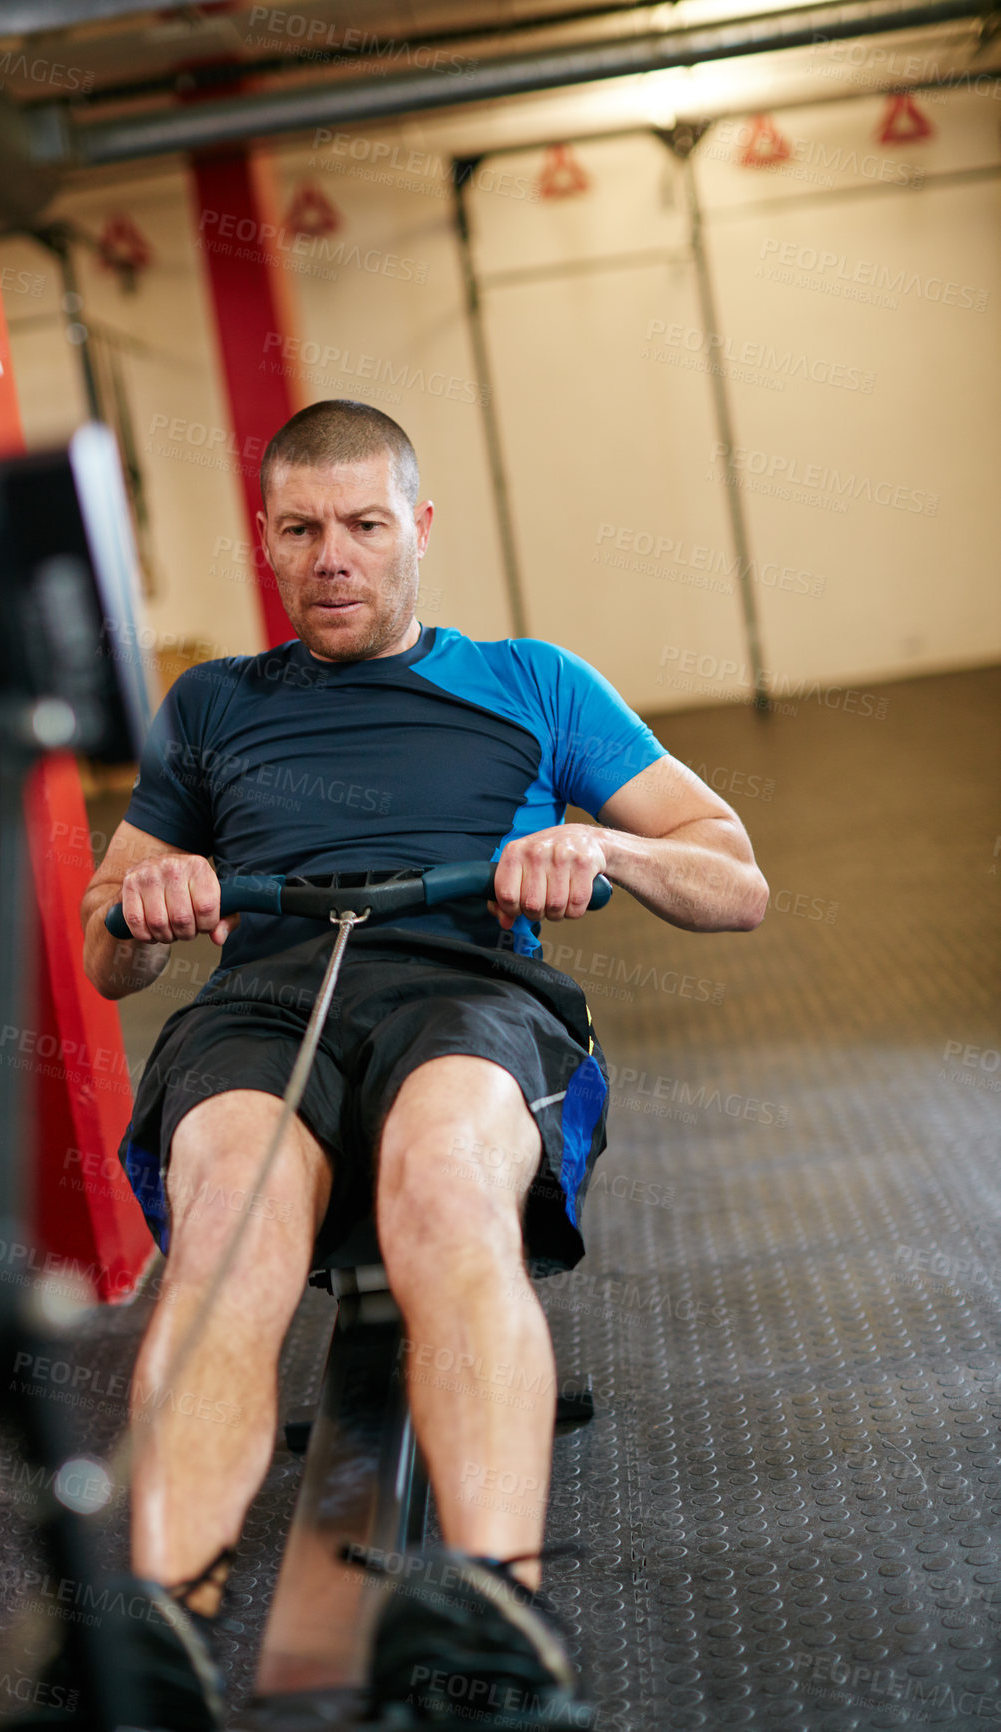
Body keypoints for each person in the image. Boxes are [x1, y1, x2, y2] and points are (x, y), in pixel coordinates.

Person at [76, 400, 768, 1728]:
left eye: (362, 525)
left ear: (418, 529)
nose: (331, 555)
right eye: (299, 529)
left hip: (470, 986)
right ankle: (160, 1631)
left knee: (444, 1178)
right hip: (266, 1000)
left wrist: (599, 848)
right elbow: (106, 946)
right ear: (267, 541)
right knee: (224, 1210)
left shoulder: (532, 680)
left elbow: (732, 882)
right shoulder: (210, 705)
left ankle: (493, 1609)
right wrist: (147, 899)